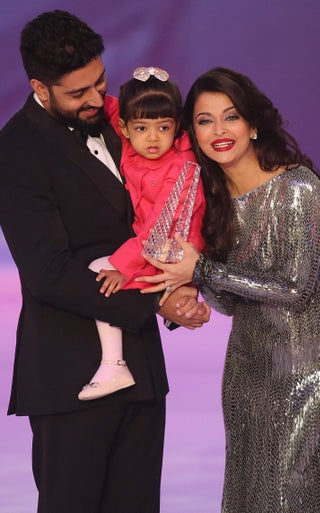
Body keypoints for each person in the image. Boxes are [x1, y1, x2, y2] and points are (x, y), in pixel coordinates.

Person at [0, 10, 210, 513]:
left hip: (142, 371)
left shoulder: (119, 122)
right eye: (77, 92)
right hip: (70, 377)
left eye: (100, 82)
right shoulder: (15, 153)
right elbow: (48, 273)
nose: (95, 99)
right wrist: (156, 304)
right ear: (39, 88)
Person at [136, 67, 320, 513]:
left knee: (292, 495)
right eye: (204, 120)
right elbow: (233, 301)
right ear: (191, 133)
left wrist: (201, 271)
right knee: (246, 496)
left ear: (253, 124)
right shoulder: (209, 199)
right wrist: (185, 292)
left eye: (230, 117)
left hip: (313, 364)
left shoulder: (296, 187)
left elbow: (295, 287)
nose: (218, 131)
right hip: (247, 364)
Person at [78, 66, 206, 401]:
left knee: (99, 270)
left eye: (164, 128)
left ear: (176, 127)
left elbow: (158, 229)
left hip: (170, 250)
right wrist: (84, 95)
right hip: (152, 247)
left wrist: (121, 266)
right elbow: (112, 105)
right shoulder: (132, 143)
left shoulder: (180, 167)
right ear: (125, 128)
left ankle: (113, 364)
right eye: (142, 128)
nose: (153, 137)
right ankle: (185, 304)